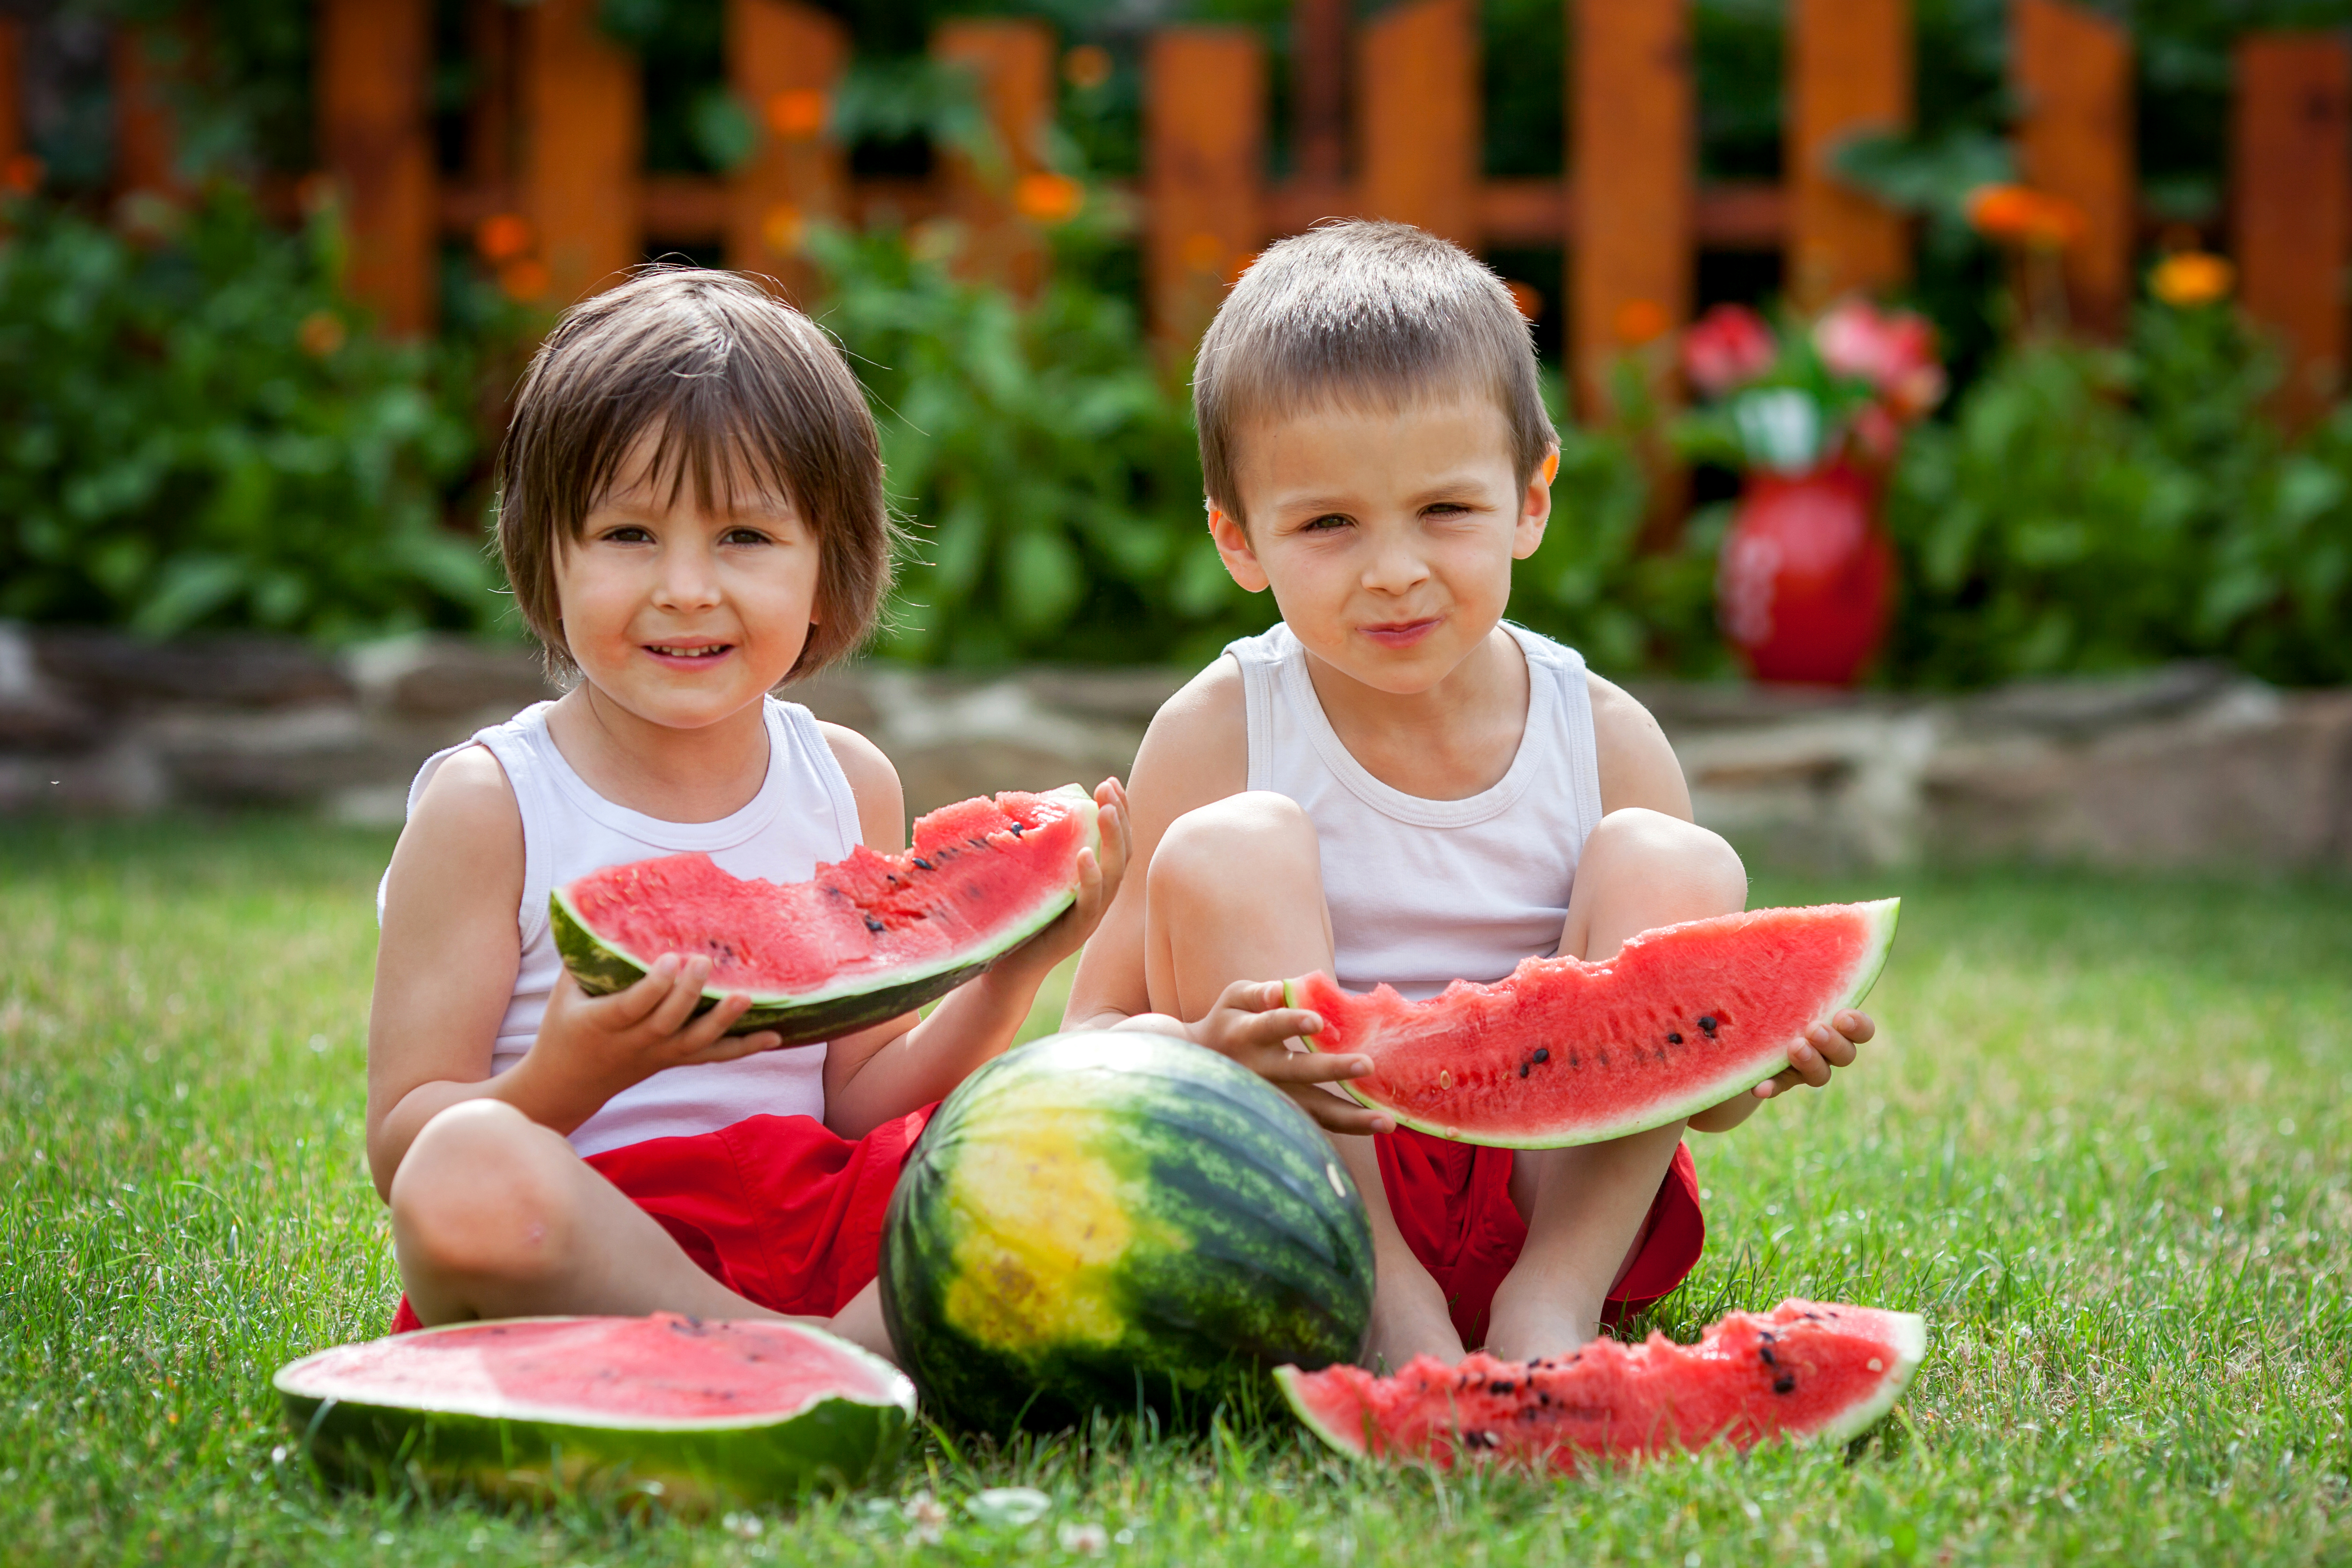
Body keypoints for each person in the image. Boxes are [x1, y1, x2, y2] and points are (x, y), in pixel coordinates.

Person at [1064, 221, 1872, 1370]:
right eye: (1328, 523)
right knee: (1229, 846)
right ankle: (1389, 1301)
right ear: (1238, 539)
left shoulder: (1604, 737)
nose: (1394, 568)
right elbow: (1088, 1036)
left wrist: (1744, 1056)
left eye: (1444, 511)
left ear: (1530, 500)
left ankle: (1553, 1301)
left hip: (1555, 1189)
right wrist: (1202, 1044)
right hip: (1303, 1188)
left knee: (1680, 861)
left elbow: (1676, 1097)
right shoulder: (1220, 727)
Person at [367, 269, 1127, 1360]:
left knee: (1079, 1123)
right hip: (582, 1229)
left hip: (815, 1220)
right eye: (628, 534)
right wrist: (574, 1073)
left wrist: (1012, 965)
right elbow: (404, 1149)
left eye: (744, 539)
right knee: (462, 1171)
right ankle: (825, 1358)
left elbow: (863, 1101)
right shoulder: (490, 803)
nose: (685, 586)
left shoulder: (845, 779)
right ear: (547, 553)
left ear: (829, 567)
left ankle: (796, 1353)